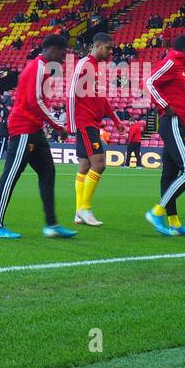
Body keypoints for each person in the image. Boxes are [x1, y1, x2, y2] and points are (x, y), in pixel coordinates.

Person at [0, 34, 76, 239]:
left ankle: (52, 225)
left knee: (48, 172)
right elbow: (35, 102)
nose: (64, 57)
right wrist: (58, 125)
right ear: (53, 50)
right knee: (11, 176)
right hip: (23, 129)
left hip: (34, 130)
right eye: (63, 53)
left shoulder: (42, 69)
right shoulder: (38, 67)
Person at [145, 34, 185, 236]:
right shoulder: (173, 61)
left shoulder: (179, 66)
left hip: (176, 123)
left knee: (168, 175)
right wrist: (165, 106)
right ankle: (156, 212)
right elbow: (150, 82)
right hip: (174, 123)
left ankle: (174, 223)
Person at [68, 33, 124, 226]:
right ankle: (85, 209)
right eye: (108, 48)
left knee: (84, 166)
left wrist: (116, 120)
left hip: (92, 122)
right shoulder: (84, 64)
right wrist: (71, 123)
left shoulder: (99, 68)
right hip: (85, 122)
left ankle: (78, 213)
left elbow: (102, 100)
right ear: (98, 46)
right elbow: (71, 94)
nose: (110, 52)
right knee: (99, 163)